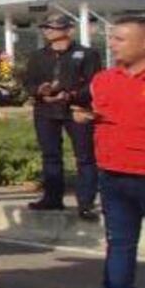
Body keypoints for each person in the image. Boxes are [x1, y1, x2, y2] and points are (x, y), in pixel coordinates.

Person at [73, 15, 145, 288]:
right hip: (113, 174)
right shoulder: (103, 79)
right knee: (119, 242)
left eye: (121, 39)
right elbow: (95, 111)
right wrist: (82, 115)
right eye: (112, 38)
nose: (112, 44)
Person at [23, 13, 102, 219]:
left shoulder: (87, 54)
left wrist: (71, 94)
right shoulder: (37, 56)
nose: (48, 31)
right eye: (45, 27)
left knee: (85, 157)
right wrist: (40, 91)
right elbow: (28, 83)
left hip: (76, 110)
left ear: (68, 30)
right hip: (46, 111)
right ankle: (52, 198)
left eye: (53, 27)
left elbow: (94, 84)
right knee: (50, 155)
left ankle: (85, 203)